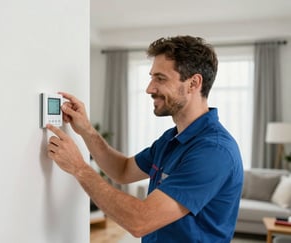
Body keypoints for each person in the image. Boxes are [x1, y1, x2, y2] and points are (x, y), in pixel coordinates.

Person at [46, 35, 243, 243]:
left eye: (160, 78)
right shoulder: (171, 139)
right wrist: (86, 130)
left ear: (193, 83)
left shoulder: (214, 151)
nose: (149, 88)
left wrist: (79, 168)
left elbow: (140, 221)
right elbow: (122, 170)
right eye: (151, 77)